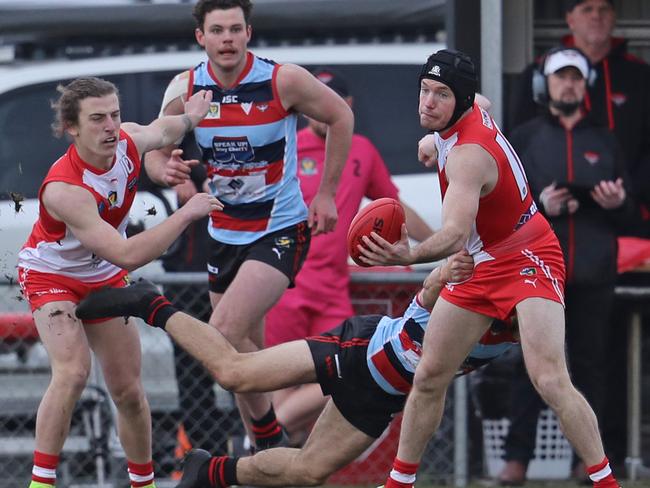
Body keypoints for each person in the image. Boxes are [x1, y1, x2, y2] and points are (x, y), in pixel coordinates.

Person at [357, 49, 620, 488]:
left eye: (440, 95)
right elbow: (482, 103)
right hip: (484, 260)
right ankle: (399, 483)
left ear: (458, 102)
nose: (427, 103)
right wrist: (433, 136)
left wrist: (405, 256)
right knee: (428, 376)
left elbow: (454, 235)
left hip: (528, 255)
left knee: (549, 377)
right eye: (424, 90)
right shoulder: (466, 110)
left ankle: (606, 481)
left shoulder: (468, 156)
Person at [74, 251, 518, 488]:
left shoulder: (514, 336)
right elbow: (425, 298)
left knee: (309, 472)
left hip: (380, 397)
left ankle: (210, 473)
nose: (522, 320)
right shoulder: (470, 297)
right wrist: (441, 273)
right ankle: (151, 302)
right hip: (358, 350)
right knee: (235, 373)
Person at [146, 0, 353, 451]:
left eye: (234, 29)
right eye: (217, 30)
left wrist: (325, 193)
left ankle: (330, 370)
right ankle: (268, 447)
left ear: (248, 33)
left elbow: (341, 117)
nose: (227, 39)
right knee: (241, 354)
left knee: (220, 330)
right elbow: (154, 147)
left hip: (279, 229)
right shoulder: (185, 88)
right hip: (223, 235)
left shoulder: (284, 80)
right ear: (201, 37)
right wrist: (167, 170)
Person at [15, 76, 222, 488]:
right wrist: (186, 213)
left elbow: (166, 129)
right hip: (52, 277)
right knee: (73, 371)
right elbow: (128, 255)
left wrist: (192, 116)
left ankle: (141, 482)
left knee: (128, 391)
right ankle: (40, 483)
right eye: (97, 119)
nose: (111, 126)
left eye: (115, 114)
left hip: (103, 275)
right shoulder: (65, 189)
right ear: (72, 128)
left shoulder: (127, 141)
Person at [264, 67, 433, 445]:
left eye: (332, 101)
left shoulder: (361, 151)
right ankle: (276, 458)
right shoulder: (286, 146)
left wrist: (440, 243)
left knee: (347, 372)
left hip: (331, 288)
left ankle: (263, 442)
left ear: (347, 105)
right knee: (281, 382)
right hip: (282, 285)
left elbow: (394, 206)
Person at [496, 46, 636, 485]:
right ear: (546, 84)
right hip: (538, 271)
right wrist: (541, 204)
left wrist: (618, 203)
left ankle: (589, 462)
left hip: (595, 269)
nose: (569, 84)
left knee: (592, 366)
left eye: (577, 77)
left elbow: (632, 212)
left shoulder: (606, 138)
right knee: (530, 366)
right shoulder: (525, 135)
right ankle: (516, 459)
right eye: (562, 77)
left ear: (586, 86)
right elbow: (501, 205)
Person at [508, 0, 650, 210]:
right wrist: (540, 200)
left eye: (603, 9)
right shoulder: (537, 73)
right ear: (570, 19)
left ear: (614, 17)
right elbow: (518, 148)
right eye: (587, 9)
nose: (596, 16)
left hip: (627, 210)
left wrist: (628, 196)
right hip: (550, 213)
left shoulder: (641, 75)